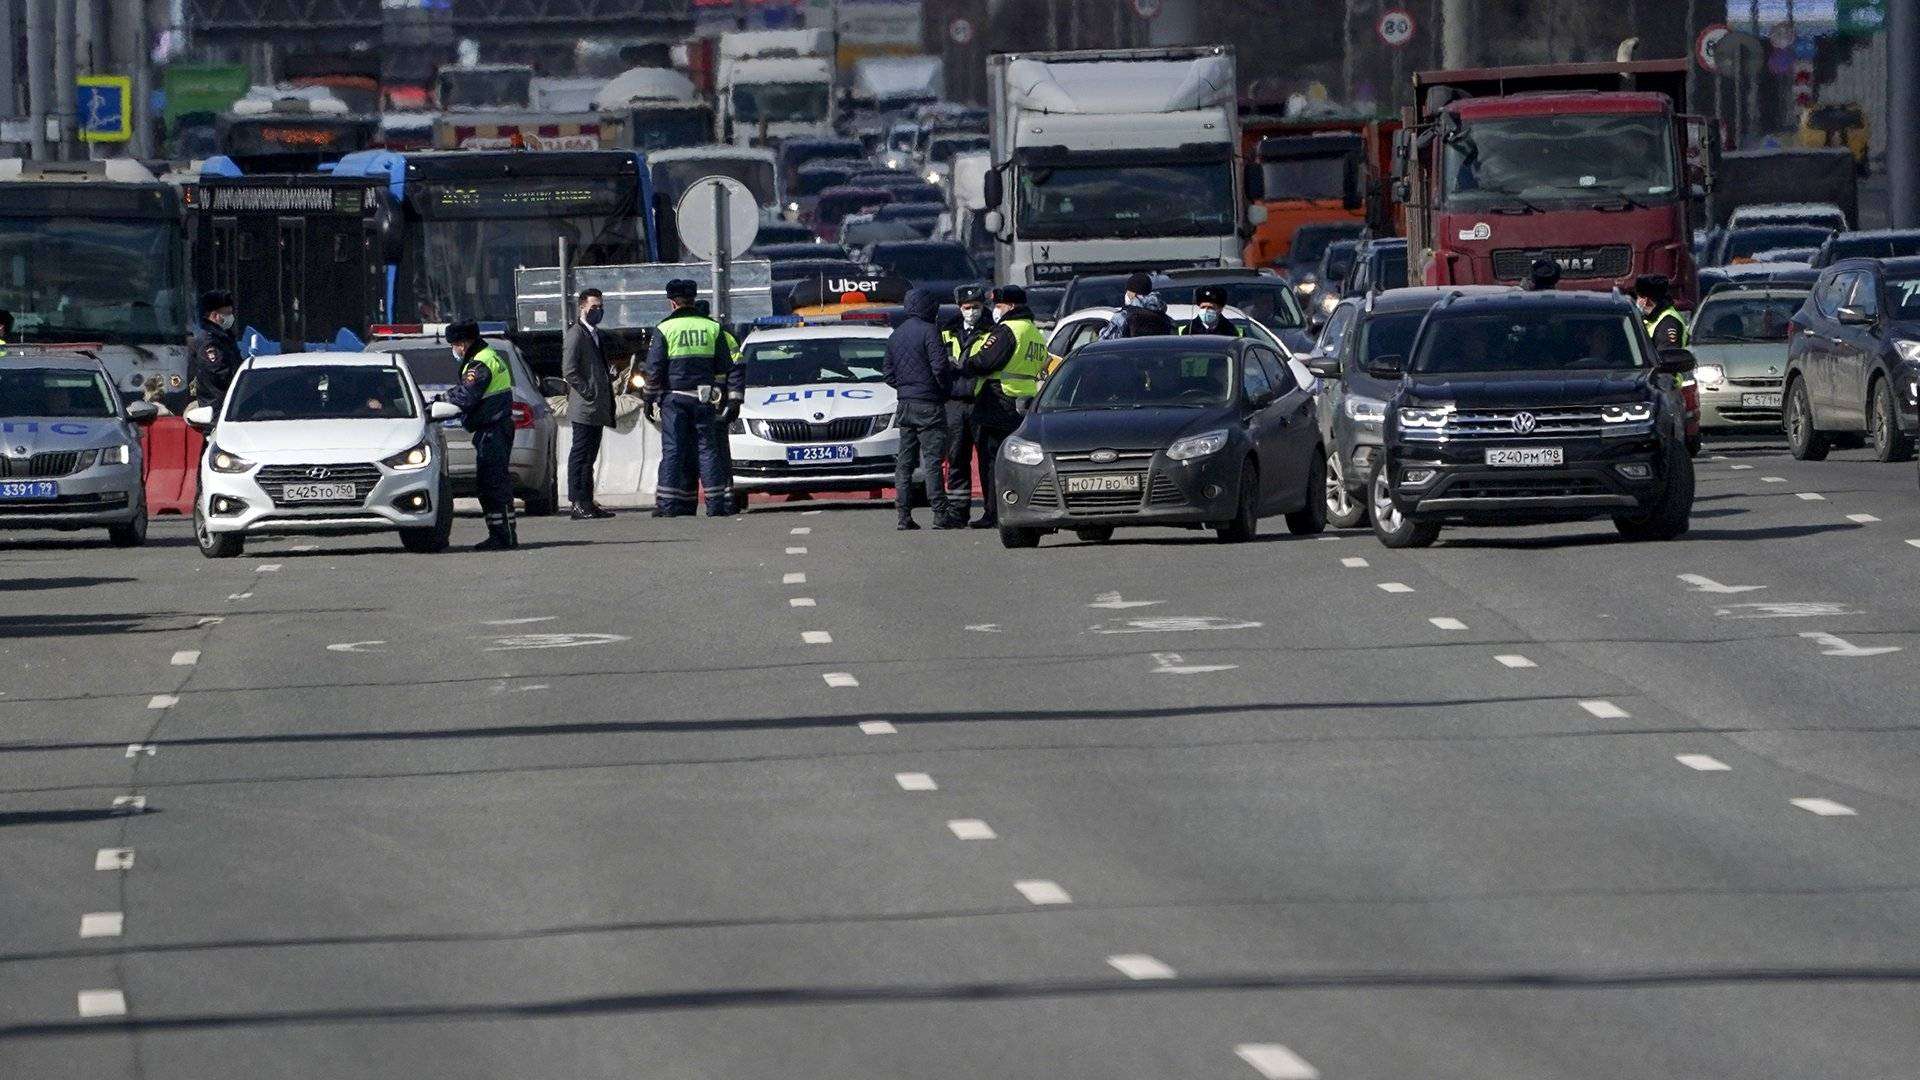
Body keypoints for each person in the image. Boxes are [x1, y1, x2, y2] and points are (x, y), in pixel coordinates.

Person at [644, 279, 741, 518]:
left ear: (672, 302)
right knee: (707, 450)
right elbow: (723, 366)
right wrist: (716, 392)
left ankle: (667, 506)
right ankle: (716, 505)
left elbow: (654, 369)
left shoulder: (665, 328)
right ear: (693, 300)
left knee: (674, 450)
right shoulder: (712, 327)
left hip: (674, 398)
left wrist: (648, 398)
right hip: (704, 398)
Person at [956, 285, 1049, 529]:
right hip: (1024, 401)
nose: (995, 310)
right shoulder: (1034, 332)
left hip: (997, 400)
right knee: (1022, 459)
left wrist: (967, 364)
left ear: (1010, 306)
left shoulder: (1008, 330)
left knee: (992, 460)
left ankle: (993, 512)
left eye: (998, 305)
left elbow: (986, 361)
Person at [881, 287, 956, 530]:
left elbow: (888, 374)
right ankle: (940, 515)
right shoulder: (930, 331)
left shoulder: (896, 335)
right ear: (929, 307)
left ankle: (903, 516)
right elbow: (940, 368)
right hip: (929, 404)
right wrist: (943, 391)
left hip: (905, 404)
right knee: (933, 461)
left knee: (904, 462)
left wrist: (906, 388)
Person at [444, 320, 518, 551]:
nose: (454, 350)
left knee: (492, 484)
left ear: (463, 344)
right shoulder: (489, 355)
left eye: (454, 345)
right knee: (495, 484)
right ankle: (504, 533)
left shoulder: (479, 364)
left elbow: (466, 396)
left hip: (492, 430)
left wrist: (440, 402)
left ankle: (502, 536)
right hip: (495, 428)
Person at [561, 287, 616, 520]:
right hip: (585, 407)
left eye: (600, 307)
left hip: (596, 407)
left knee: (590, 457)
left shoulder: (594, 334)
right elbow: (569, 370)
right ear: (582, 307)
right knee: (580, 455)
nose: (598, 311)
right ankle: (577, 502)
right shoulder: (576, 334)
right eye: (594, 307)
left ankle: (587, 501)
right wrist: (589, 391)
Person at [940, 284, 993, 524]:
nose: (971, 311)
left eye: (976, 307)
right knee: (956, 457)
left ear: (984, 307)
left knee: (987, 459)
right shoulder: (947, 331)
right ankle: (958, 512)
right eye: (966, 307)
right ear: (959, 308)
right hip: (954, 403)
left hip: (982, 400)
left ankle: (991, 511)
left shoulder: (992, 331)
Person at [187, 290, 242, 409]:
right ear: (215, 315)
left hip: (231, 404)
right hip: (216, 408)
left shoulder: (224, 338)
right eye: (227, 313)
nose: (231, 318)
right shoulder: (208, 341)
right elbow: (219, 374)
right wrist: (243, 381)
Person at [1099, 271, 1175, 340]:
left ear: (1133, 294)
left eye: (1128, 291)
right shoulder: (1164, 317)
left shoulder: (1123, 316)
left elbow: (1105, 340)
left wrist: (1100, 329)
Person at [1635, 274, 1688, 349]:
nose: (1636, 301)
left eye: (1638, 297)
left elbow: (1668, 356)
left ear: (1645, 300)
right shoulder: (1650, 318)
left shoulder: (1668, 323)